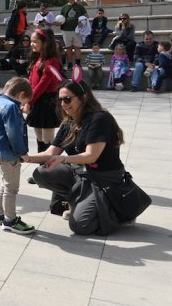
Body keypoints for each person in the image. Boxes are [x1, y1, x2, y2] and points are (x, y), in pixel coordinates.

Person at [27, 80, 131, 235]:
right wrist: (22, 158)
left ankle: (117, 208)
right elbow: (50, 153)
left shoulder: (99, 119)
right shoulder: (68, 121)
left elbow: (91, 156)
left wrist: (64, 159)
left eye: (68, 99)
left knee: (81, 226)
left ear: (83, 97)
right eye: (60, 100)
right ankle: (78, 199)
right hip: (81, 173)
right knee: (41, 173)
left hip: (104, 178)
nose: (63, 104)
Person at [0, 77, 35, 234]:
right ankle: (10, 220)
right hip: (9, 153)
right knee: (12, 188)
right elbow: (14, 133)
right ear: (21, 94)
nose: (23, 105)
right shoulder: (12, 107)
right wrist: (22, 153)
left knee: (6, 183)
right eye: (24, 101)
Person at [24, 28, 63, 157]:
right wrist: (27, 100)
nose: (32, 44)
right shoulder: (38, 59)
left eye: (35, 41)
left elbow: (42, 86)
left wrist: (29, 101)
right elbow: (31, 82)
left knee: (48, 140)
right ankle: (42, 169)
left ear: (45, 43)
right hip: (37, 101)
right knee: (39, 138)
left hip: (47, 102)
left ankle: (51, 170)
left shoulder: (52, 62)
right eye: (31, 41)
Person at [59, 0, 87, 70]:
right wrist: (58, 23)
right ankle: (70, 64)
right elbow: (61, 18)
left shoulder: (80, 6)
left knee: (77, 47)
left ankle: (78, 64)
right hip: (66, 30)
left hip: (77, 30)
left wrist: (82, 22)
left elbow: (86, 16)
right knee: (68, 48)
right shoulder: (64, 7)